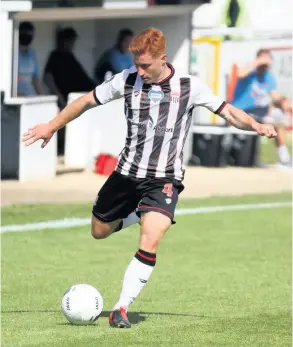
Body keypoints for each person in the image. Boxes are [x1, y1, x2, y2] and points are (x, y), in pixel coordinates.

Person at [22, 28, 277, 329]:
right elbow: (86, 101)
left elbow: (229, 113)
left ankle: (121, 308)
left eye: (145, 65)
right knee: (99, 231)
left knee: (152, 236)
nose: (139, 71)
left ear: (162, 59)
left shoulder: (189, 86)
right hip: (126, 174)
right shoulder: (126, 79)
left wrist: (255, 125)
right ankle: (136, 214)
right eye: (136, 64)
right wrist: (53, 125)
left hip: (165, 177)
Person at [232, 49, 291, 167]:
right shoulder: (250, 72)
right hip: (241, 111)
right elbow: (240, 74)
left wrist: (283, 102)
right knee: (275, 117)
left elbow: (275, 96)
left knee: (278, 116)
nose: (266, 64)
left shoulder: (268, 76)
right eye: (264, 60)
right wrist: (258, 62)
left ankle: (284, 159)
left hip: (257, 111)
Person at [43, 27, 96, 154]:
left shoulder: (70, 57)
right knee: (60, 124)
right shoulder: (55, 56)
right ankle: (59, 150)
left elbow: (82, 77)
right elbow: (47, 78)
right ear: (63, 41)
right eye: (70, 42)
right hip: (62, 98)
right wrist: (59, 97)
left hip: (74, 99)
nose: (72, 45)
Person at [18, 21, 43, 96]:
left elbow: (36, 79)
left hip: (30, 95)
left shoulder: (32, 54)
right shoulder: (12, 53)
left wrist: (42, 97)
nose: (28, 36)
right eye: (25, 34)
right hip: (16, 97)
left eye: (30, 34)